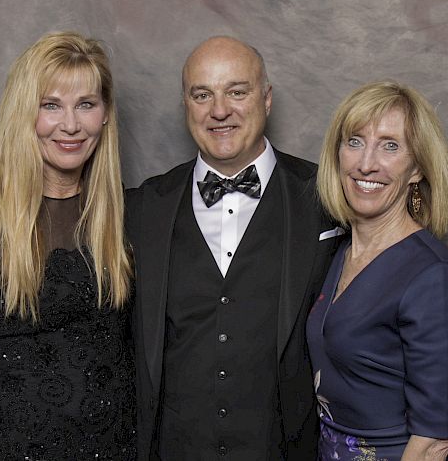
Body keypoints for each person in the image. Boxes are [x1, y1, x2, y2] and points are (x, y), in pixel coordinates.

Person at [125, 36, 343, 460]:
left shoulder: (328, 198)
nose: (219, 110)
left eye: (236, 92)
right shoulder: (143, 206)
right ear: (185, 104)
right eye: (202, 94)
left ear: (266, 99)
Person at [0, 32, 137, 459]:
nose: (71, 125)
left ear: (105, 115)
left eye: (86, 104)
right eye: (51, 105)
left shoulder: (124, 212)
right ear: (24, 114)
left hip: (116, 446)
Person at [308, 81, 448, 460]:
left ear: (417, 168)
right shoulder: (340, 252)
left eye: (390, 146)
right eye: (355, 141)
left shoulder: (433, 276)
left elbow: (434, 440)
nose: (367, 163)